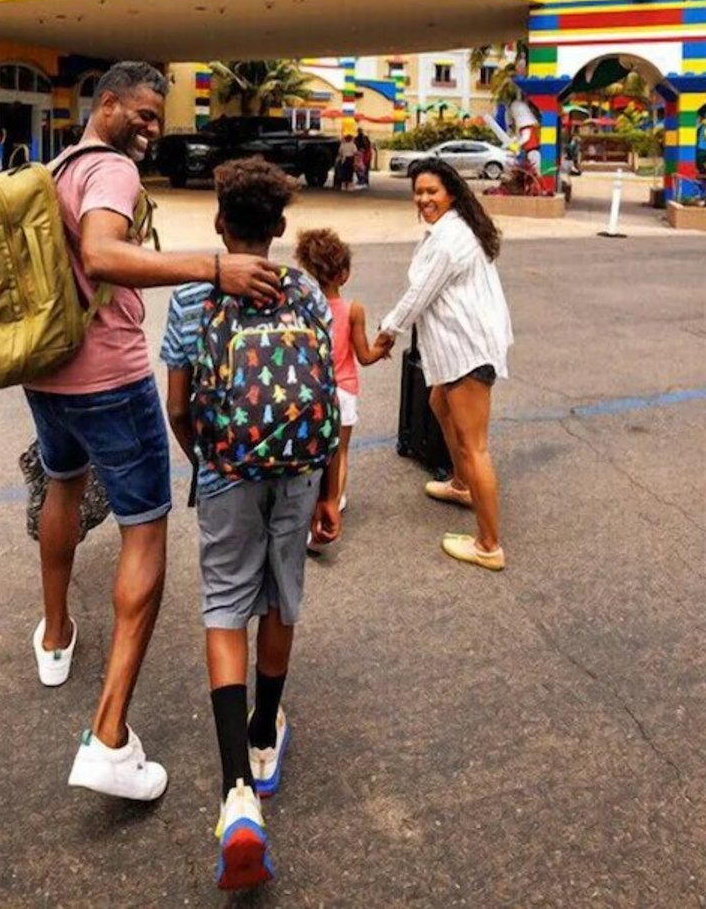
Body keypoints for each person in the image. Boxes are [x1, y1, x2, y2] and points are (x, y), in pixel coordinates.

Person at [21, 61, 282, 806]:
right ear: (105, 104)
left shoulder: (56, 166)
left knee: (61, 485)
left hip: (48, 372)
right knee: (145, 532)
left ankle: (55, 634)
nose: (148, 126)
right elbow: (102, 254)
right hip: (107, 376)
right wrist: (213, 267)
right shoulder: (110, 173)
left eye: (155, 117)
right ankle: (108, 738)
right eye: (138, 111)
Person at [160, 159, 341, 892]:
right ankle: (266, 732)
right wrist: (330, 486)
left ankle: (238, 790)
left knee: (224, 605)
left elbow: (177, 403)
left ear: (218, 224)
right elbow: (328, 393)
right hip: (298, 469)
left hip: (227, 470)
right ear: (280, 227)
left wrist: (206, 460)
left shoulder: (192, 297)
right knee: (281, 594)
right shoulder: (308, 291)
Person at [375, 157, 512, 572]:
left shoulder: (451, 238)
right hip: (460, 348)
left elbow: (419, 295)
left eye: (431, 191)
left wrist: (386, 331)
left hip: (469, 349)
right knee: (438, 402)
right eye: (418, 192)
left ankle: (488, 545)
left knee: (476, 446)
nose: (423, 198)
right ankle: (461, 483)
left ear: (450, 191)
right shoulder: (451, 228)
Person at [294, 226, 386, 526]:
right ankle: (333, 503)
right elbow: (365, 356)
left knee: (314, 453)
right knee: (340, 452)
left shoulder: (304, 308)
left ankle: (309, 510)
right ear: (343, 273)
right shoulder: (353, 310)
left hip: (312, 391)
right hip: (344, 390)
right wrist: (384, 344)